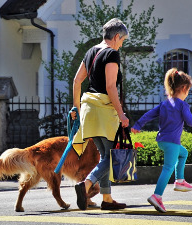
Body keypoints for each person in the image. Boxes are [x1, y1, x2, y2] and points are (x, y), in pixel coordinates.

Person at [131, 68, 192, 213]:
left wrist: (138, 125)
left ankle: (180, 181)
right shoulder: (182, 105)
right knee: (168, 168)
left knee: (183, 153)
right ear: (183, 88)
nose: (187, 93)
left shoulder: (165, 104)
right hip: (172, 143)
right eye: (188, 90)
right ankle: (157, 196)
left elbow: (149, 114)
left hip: (162, 141)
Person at [70, 18, 129, 210]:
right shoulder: (111, 54)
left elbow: (77, 81)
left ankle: (107, 199)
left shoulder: (90, 52)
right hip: (104, 109)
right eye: (122, 40)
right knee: (112, 157)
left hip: (88, 109)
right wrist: (121, 115)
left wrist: (76, 109)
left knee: (105, 155)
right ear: (117, 36)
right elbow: (111, 87)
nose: (121, 44)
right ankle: (86, 185)